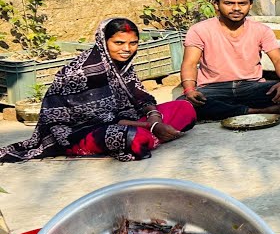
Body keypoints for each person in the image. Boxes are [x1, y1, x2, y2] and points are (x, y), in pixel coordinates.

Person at [1, 18, 196, 163]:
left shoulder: (123, 65)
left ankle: (154, 135)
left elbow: (139, 95)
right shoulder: (83, 72)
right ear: (104, 41)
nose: (127, 49)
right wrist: (152, 127)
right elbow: (97, 120)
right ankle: (153, 136)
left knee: (184, 108)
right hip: (78, 132)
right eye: (118, 43)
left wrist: (154, 117)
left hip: (125, 119)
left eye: (133, 43)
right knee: (132, 138)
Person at [180, 0, 280, 120]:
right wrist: (189, 90)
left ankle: (229, 109)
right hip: (213, 88)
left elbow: (278, 59)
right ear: (216, 4)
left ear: (250, 5)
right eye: (229, 3)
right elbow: (190, 63)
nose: (236, 8)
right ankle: (257, 110)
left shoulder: (261, 30)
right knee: (184, 104)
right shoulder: (199, 30)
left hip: (250, 86)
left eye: (242, 3)